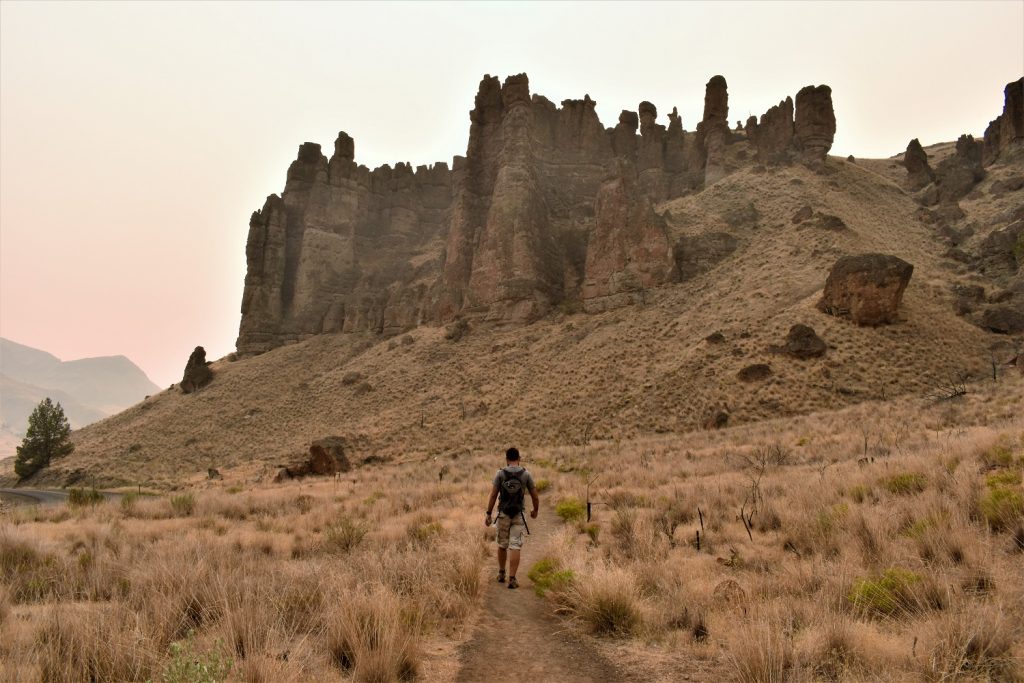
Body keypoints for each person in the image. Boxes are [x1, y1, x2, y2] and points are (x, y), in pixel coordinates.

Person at [485, 447, 539, 589]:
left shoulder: (500, 474)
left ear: (507, 459)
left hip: (503, 514)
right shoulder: (526, 474)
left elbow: (493, 495)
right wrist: (535, 511)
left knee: (502, 545)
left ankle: (501, 573)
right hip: (519, 514)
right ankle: (512, 579)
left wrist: (489, 513)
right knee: (515, 545)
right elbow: (535, 495)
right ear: (519, 458)